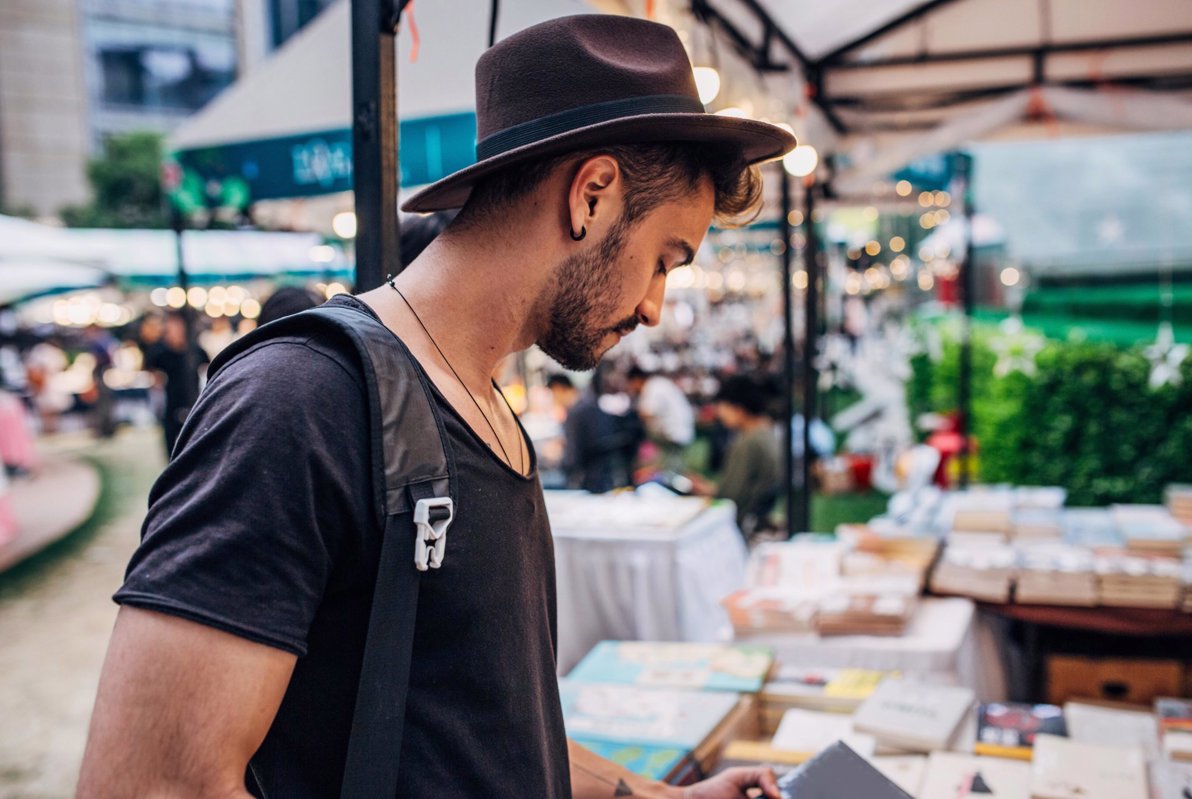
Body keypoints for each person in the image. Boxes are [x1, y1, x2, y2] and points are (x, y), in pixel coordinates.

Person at [79, 15, 794, 799]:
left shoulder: (483, 408)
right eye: (665, 259)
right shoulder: (302, 400)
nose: (656, 305)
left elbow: (485, 725)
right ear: (592, 194)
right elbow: (152, 783)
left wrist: (659, 797)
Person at [692, 375, 785, 537]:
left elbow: (729, 497)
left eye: (723, 407)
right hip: (760, 518)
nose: (720, 414)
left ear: (738, 408)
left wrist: (704, 492)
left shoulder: (748, 443)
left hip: (741, 526)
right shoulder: (768, 433)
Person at [143, 310, 209, 458]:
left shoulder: (196, 351)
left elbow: (206, 371)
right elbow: (152, 375)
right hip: (170, 406)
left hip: (194, 405)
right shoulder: (160, 353)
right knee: (172, 451)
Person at [551, 372, 631, 494]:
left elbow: (572, 459)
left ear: (558, 389)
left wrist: (558, 462)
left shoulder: (574, 413)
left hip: (589, 482)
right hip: (610, 476)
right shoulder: (590, 405)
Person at [627, 364, 695, 472]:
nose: (631, 388)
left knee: (639, 436)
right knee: (670, 466)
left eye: (631, 384)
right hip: (681, 432)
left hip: (674, 434)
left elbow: (646, 414)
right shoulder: (658, 383)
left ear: (636, 380)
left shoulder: (652, 387)